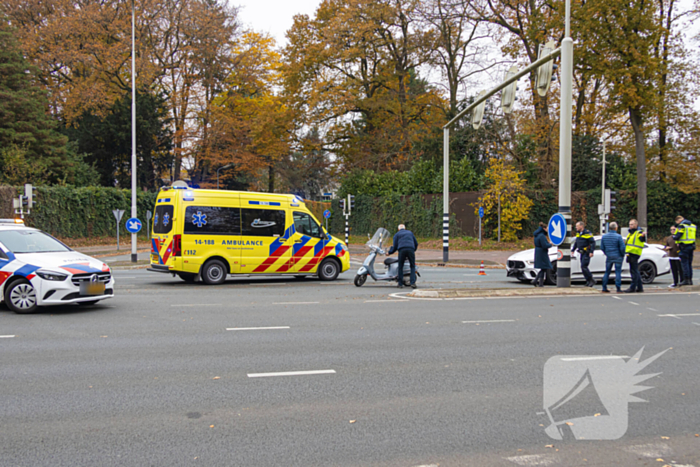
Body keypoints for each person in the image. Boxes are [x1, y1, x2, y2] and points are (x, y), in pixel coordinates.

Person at [387, 224, 418, 289]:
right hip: (410, 249)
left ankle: (400, 283)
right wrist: (413, 250)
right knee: (412, 266)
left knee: (400, 266)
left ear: (398, 229)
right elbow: (416, 243)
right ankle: (412, 283)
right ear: (405, 228)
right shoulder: (410, 233)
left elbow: (395, 246)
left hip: (402, 250)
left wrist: (389, 252)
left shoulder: (397, 234)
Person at [600, 222, 626, 293]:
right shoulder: (618, 237)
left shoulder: (604, 237)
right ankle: (618, 288)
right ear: (616, 228)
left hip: (609, 257)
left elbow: (602, 247)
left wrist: (607, 253)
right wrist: (622, 254)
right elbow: (622, 248)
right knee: (618, 272)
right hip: (618, 257)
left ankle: (604, 287)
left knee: (607, 272)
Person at [623, 219, 646, 293]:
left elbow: (642, 239)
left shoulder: (638, 232)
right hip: (630, 253)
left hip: (634, 253)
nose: (630, 226)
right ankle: (640, 287)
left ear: (636, 225)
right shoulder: (631, 233)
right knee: (635, 270)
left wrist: (643, 236)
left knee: (634, 271)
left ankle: (632, 288)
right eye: (630, 224)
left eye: (632, 224)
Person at [673, 215, 696, 286]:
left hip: (684, 247)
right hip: (691, 246)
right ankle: (690, 280)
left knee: (684, 264)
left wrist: (674, 237)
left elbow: (678, 235)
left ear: (678, 220)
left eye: (677, 222)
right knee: (689, 264)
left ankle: (686, 280)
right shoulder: (692, 225)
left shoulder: (682, 226)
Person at [572, 221, 596, 287]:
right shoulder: (578, 233)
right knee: (583, 267)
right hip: (581, 252)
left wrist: (591, 252)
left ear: (581, 226)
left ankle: (591, 280)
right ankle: (588, 281)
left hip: (586, 252)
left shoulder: (587, 233)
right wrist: (573, 250)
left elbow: (592, 243)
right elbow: (576, 242)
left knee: (584, 266)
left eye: (577, 226)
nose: (576, 227)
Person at [533, 222, 553, 287]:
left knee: (543, 268)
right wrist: (550, 244)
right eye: (547, 228)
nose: (547, 230)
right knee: (544, 267)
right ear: (544, 228)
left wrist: (547, 242)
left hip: (538, 252)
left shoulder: (537, 234)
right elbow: (544, 245)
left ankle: (538, 282)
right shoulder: (542, 235)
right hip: (542, 252)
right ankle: (537, 281)